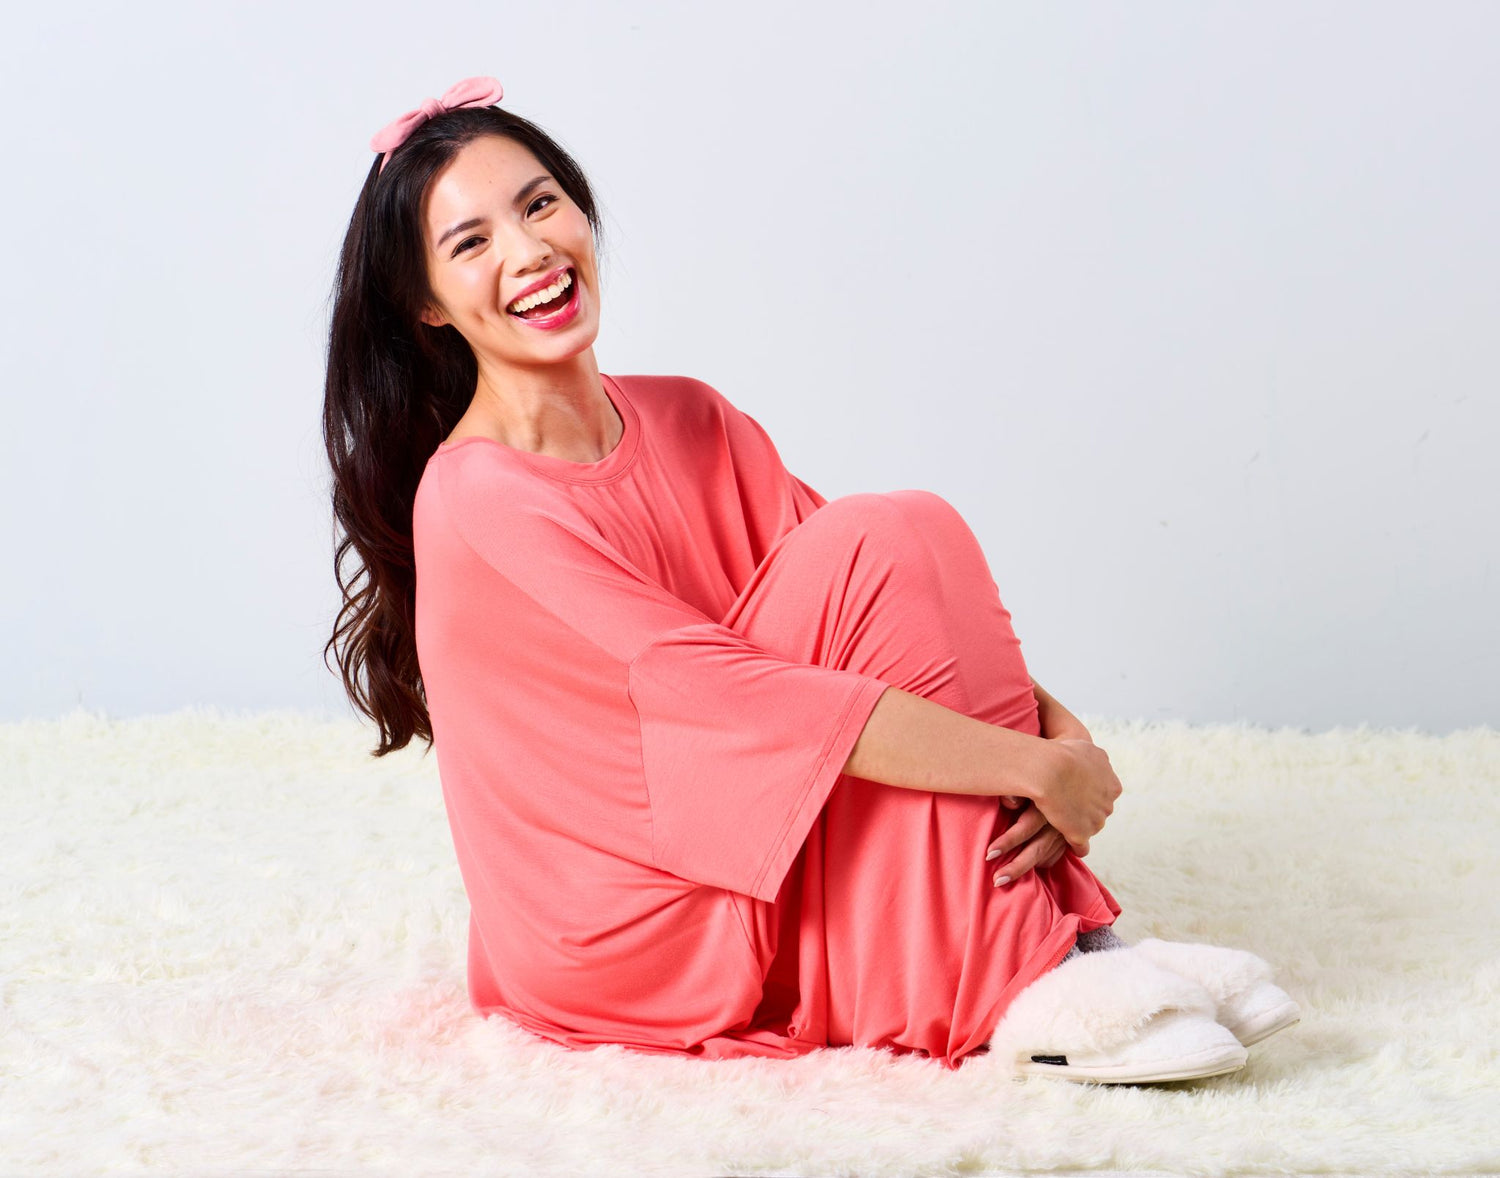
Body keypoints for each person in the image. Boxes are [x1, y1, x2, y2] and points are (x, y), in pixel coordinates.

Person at [321, 76, 1299, 1085]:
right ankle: (1035, 969)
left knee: (898, 532)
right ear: (427, 303)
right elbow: (720, 695)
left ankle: (1072, 952)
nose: (527, 252)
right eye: (471, 243)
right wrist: (1023, 766)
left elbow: (898, 616)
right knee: (879, 569)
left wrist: (1058, 736)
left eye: (538, 206)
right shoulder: (477, 495)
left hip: (743, 799)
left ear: (579, 211)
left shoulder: (691, 416)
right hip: (627, 920)